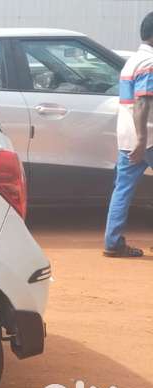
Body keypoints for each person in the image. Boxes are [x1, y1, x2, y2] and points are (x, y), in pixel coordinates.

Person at [105, 11, 153, 258]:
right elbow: (143, 102)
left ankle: (112, 243)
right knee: (122, 190)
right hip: (148, 138)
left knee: (122, 190)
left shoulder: (132, 62)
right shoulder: (149, 63)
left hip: (128, 137)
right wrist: (142, 140)